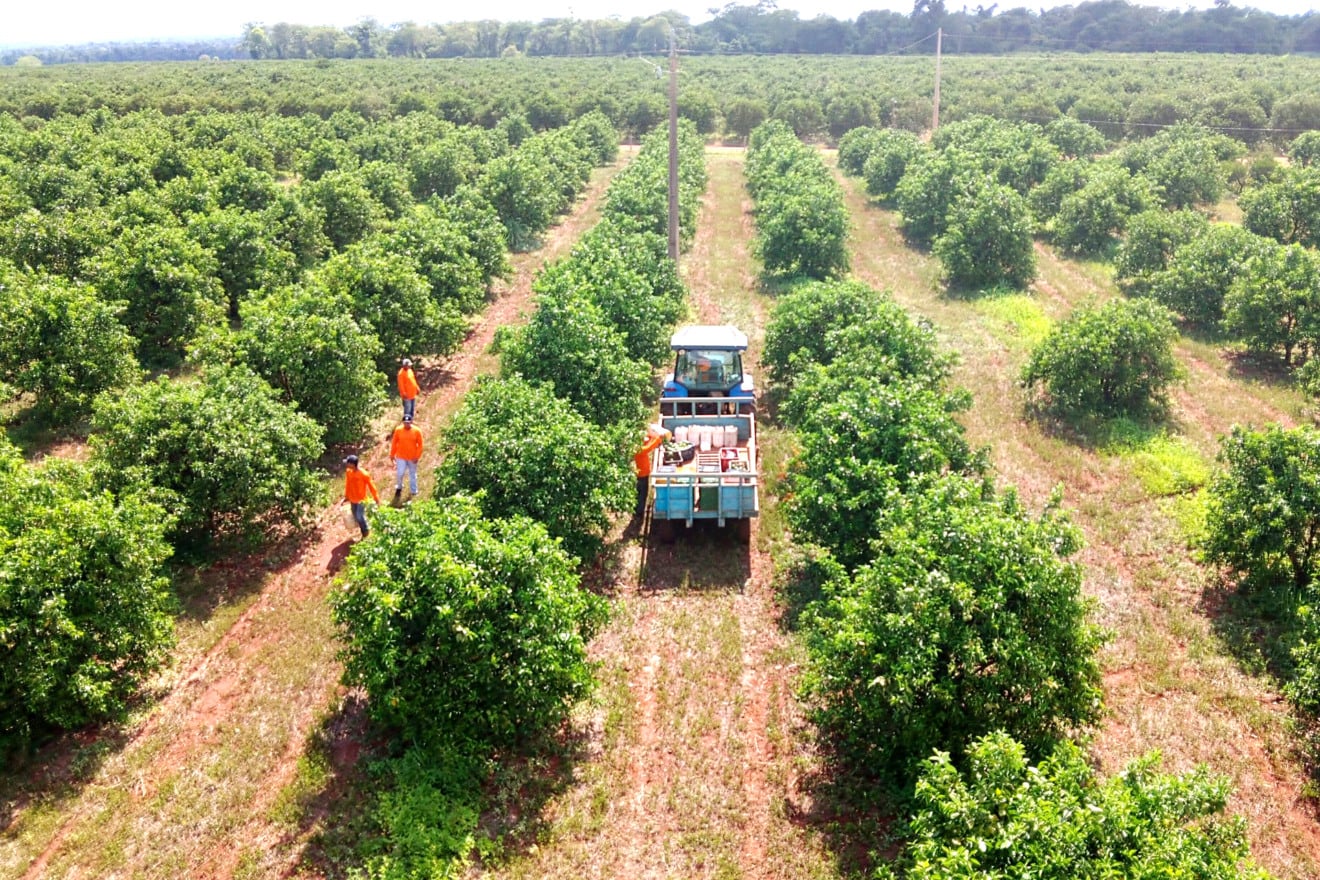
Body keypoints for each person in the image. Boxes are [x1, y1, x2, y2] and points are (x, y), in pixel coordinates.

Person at [633, 423, 670, 515]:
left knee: (641, 493)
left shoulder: (638, 447)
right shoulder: (639, 450)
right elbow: (648, 447)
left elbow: (647, 442)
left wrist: (652, 435)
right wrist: (657, 439)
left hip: (643, 474)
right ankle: (638, 512)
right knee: (641, 494)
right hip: (642, 475)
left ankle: (638, 510)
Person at [342, 454, 380, 538]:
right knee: (355, 516)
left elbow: (371, 486)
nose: (346, 464)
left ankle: (366, 531)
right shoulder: (349, 472)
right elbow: (348, 484)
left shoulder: (363, 474)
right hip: (352, 499)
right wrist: (346, 497)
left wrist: (376, 498)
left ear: (352, 464)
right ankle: (363, 530)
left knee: (359, 516)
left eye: (348, 463)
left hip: (361, 499)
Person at [390, 413, 423, 500]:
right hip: (401, 456)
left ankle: (414, 491)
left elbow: (420, 445)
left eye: (408, 423)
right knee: (400, 473)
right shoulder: (398, 430)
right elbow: (394, 443)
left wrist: (417, 456)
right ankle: (399, 486)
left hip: (412, 457)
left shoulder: (417, 431)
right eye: (405, 423)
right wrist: (392, 455)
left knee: (412, 474)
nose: (406, 424)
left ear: (411, 422)